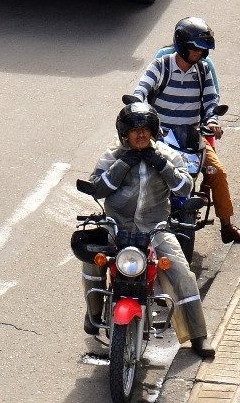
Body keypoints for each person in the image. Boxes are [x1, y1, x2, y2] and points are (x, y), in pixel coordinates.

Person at [82, 101, 215, 359]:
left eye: (145, 129)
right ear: (124, 133)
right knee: (91, 262)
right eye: (134, 129)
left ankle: (198, 335)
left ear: (154, 131)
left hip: (155, 229)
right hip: (116, 226)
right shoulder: (111, 156)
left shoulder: (168, 155)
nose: (140, 134)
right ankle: (94, 313)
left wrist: (161, 164)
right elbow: (98, 188)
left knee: (183, 273)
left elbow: (184, 189)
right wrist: (124, 164)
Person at [131, 16, 240, 245]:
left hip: (191, 136)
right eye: (195, 48)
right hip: (161, 137)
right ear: (182, 44)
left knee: (217, 173)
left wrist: (213, 120)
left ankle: (227, 227)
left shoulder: (203, 70)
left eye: (202, 49)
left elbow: (211, 101)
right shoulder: (162, 65)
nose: (199, 53)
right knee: (136, 168)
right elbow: (141, 90)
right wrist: (139, 107)